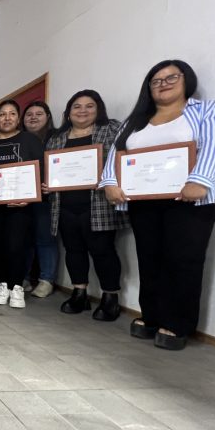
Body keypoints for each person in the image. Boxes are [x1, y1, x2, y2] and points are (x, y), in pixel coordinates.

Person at [102, 60, 215, 350]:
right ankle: (151, 317)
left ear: (187, 79)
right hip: (144, 201)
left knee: (183, 259)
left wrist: (199, 181)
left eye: (171, 77)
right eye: (156, 80)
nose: (163, 83)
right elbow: (117, 153)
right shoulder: (135, 120)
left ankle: (177, 324)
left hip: (190, 199)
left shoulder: (208, 110)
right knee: (149, 259)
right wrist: (110, 183)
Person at [46, 91, 127, 320]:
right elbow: (51, 171)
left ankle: (110, 297)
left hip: (99, 204)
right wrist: (47, 185)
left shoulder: (111, 129)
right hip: (64, 205)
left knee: (103, 251)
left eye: (89, 106)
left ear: (98, 109)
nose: (83, 111)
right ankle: (79, 292)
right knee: (73, 251)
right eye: (77, 107)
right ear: (68, 113)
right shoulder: (57, 138)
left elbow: (123, 160)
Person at [0, 99, 44, 309]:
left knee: (18, 246)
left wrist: (31, 194)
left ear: (18, 118)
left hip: (23, 205)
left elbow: (41, 171)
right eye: (2, 114)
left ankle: (17, 286)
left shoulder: (30, 140)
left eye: (11, 114)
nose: (7, 118)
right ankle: (3, 284)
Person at [22, 101, 58, 298]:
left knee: (45, 239)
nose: (33, 117)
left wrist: (53, 183)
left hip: (45, 198)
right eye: (29, 114)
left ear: (48, 117)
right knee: (24, 240)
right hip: (20, 199)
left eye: (38, 113)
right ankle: (25, 277)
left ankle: (46, 279)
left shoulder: (56, 139)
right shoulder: (19, 139)